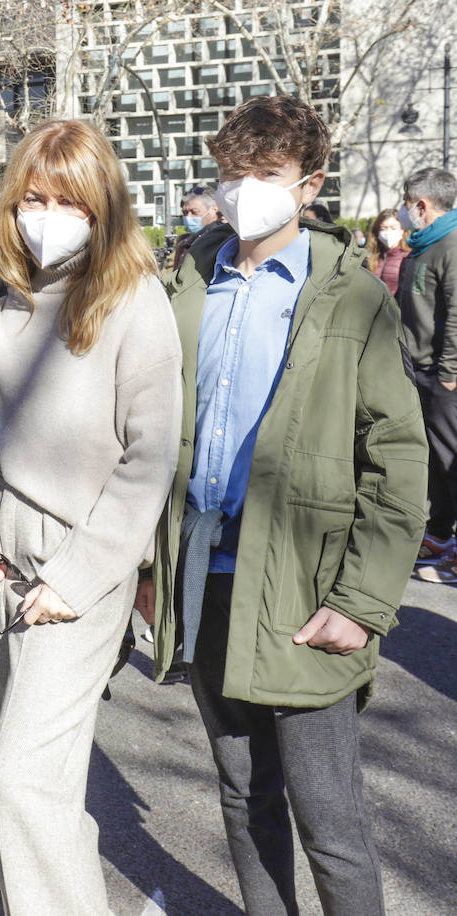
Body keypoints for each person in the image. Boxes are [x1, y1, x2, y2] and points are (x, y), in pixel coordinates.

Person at [144, 96, 426, 916]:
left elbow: (398, 458)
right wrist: (150, 567)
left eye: (264, 176)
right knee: (241, 793)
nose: (243, 193)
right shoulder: (189, 280)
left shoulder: (352, 297)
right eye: (232, 176)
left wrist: (362, 603)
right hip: (207, 571)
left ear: (310, 186)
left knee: (329, 817)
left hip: (307, 582)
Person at [0, 120, 180, 915]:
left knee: (28, 775)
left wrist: (82, 575)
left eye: (70, 202)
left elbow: (150, 458)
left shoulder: (134, 300)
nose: (47, 216)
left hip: (82, 548)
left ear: (103, 207)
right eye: (33, 199)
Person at [392, 168, 457, 579]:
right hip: (419, 371)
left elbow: (455, 315)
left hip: (442, 377)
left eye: (405, 201)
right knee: (434, 461)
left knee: (451, 460)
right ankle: (438, 532)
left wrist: (449, 372)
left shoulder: (449, 245)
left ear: (421, 205)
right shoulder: (422, 246)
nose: (401, 211)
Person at [172, 185, 224, 269]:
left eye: (194, 212)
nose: (188, 217)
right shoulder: (184, 241)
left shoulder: (222, 240)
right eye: (185, 213)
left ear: (214, 210)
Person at [365, 207, 408, 296]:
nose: (388, 232)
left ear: (402, 229)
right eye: (383, 228)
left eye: (393, 228)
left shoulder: (408, 256)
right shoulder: (374, 256)